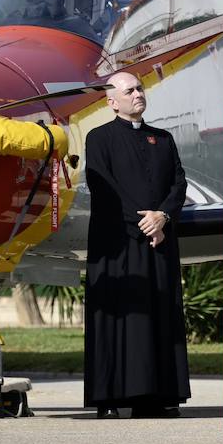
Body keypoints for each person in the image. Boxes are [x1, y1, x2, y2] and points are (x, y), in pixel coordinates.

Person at [83, 71, 190, 417]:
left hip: (159, 243)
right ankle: (112, 397)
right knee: (123, 319)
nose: (138, 94)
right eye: (129, 91)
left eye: (140, 88)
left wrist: (163, 217)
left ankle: (157, 397)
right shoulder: (98, 139)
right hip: (119, 244)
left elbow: (178, 183)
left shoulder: (163, 138)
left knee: (160, 317)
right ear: (112, 102)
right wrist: (143, 222)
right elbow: (105, 190)